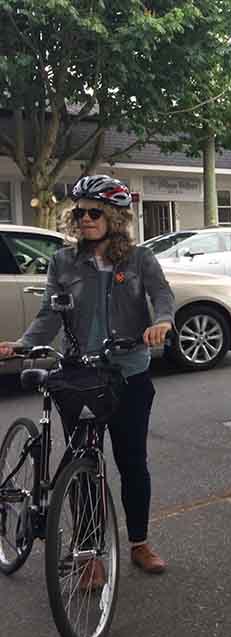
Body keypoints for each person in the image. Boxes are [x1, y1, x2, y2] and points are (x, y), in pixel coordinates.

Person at [0, 175, 174, 581]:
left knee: (132, 463)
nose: (85, 219)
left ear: (113, 216)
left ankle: (139, 543)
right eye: (79, 212)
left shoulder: (139, 259)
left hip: (129, 374)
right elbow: (49, 313)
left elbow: (162, 296)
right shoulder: (63, 261)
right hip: (79, 376)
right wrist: (23, 344)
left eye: (95, 212)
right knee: (82, 465)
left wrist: (162, 322)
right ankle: (89, 553)